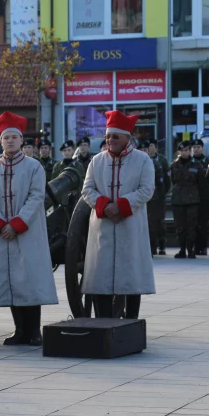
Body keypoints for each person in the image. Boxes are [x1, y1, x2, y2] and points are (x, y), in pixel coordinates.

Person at [0, 112, 57, 346]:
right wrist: (0, 224)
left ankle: (34, 331)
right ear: (0, 141)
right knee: (10, 279)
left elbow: (36, 198)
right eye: (6, 138)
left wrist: (17, 224)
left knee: (29, 280)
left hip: (28, 232)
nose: (10, 141)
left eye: (14, 137)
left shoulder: (34, 167)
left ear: (22, 140)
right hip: (1, 233)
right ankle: (19, 330)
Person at [80, 111, 155, 318]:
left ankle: (131, 323)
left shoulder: (143, 161)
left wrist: (121, 206)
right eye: (107, 136)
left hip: (130, 225)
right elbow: (87, 190)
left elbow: (147, 190)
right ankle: (103, 321)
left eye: (115, 136)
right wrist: (104, 206)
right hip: (102, 226)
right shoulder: (97, 161)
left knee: (131, 276)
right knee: (101, 276)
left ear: (127, 138)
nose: (110, 140)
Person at [170, 142, 206, 259]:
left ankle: (190, 249)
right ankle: (181, 249)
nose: (185, 152)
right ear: (179, 152)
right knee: (180, 226)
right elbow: (173, 181)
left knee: (192, 226)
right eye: (182, 150)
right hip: (178, 199)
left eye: (187, 150)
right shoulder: (174, 165)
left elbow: (202, 183)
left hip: (192, 199)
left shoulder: (197, 164)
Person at [145, 140, 170, 255]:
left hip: (158, 197)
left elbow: (166, 180)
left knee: (159, 222)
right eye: (146, 147)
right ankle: (150, 247)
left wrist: (163, 193)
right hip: (146, 198)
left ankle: (161, 245)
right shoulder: (140, 161)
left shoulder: (160, 160)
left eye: (150, 146)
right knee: (149, 223)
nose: (148, 149)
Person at [191, 139, 209, 254]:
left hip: (204, 198)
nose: (196, 149)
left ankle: (203, 247)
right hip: (191, 197)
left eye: (198, 147)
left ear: (202, 149)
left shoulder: (208, 162)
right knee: (192, 223)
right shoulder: (189, 162)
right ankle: (194, 247)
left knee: (203, 223)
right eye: (194, 147)